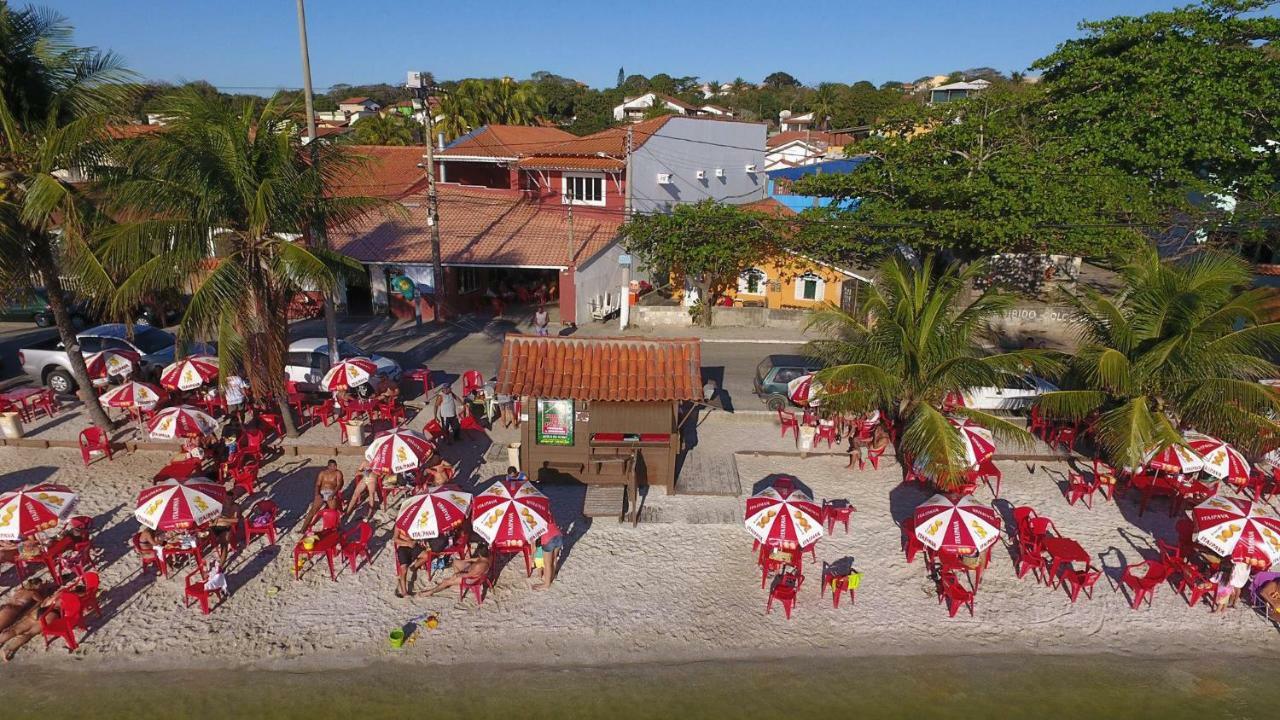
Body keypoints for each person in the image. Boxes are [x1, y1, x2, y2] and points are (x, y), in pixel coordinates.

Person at [419, 542, 491, 597]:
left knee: (446, 582)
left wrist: (457, 575)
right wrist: (465, 561)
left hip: (471, 579)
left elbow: (469, 575)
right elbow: (478, 559)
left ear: (479, 553)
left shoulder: (479, 565)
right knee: (456, 562)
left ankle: (429, 592)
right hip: (475, 573)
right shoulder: (487, 559)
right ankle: (455, 581)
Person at [301, 460, 345, 531]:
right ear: (329, 466)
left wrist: (333, 494)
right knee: (312, 511)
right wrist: (317, 494)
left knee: (333, 512)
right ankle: (303, 529)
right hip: (322, 492)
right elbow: (317, 484)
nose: (335, 467)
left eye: (335, 465)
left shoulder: (338, 473)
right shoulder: (322, 473)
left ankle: (335, 528)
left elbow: (339, 485)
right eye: (333, 466)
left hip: (331, 492)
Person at [210, 488, 243, 566]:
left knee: (224, 545)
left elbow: (236, 520)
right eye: (226, 498)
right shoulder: (221, 504)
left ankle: (221, 565)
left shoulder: (235, 507)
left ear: (233, 499)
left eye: (229, 498)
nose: (227, 500)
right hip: (214, 526)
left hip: (225, 528)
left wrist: (223, 519)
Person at [533, 516, 563, 591]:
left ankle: (546, 584)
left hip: (548, 539)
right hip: (558, 535)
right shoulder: (549, 514)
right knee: (554, 558)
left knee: (547, 564)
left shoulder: (537, 519)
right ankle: (552, 576)